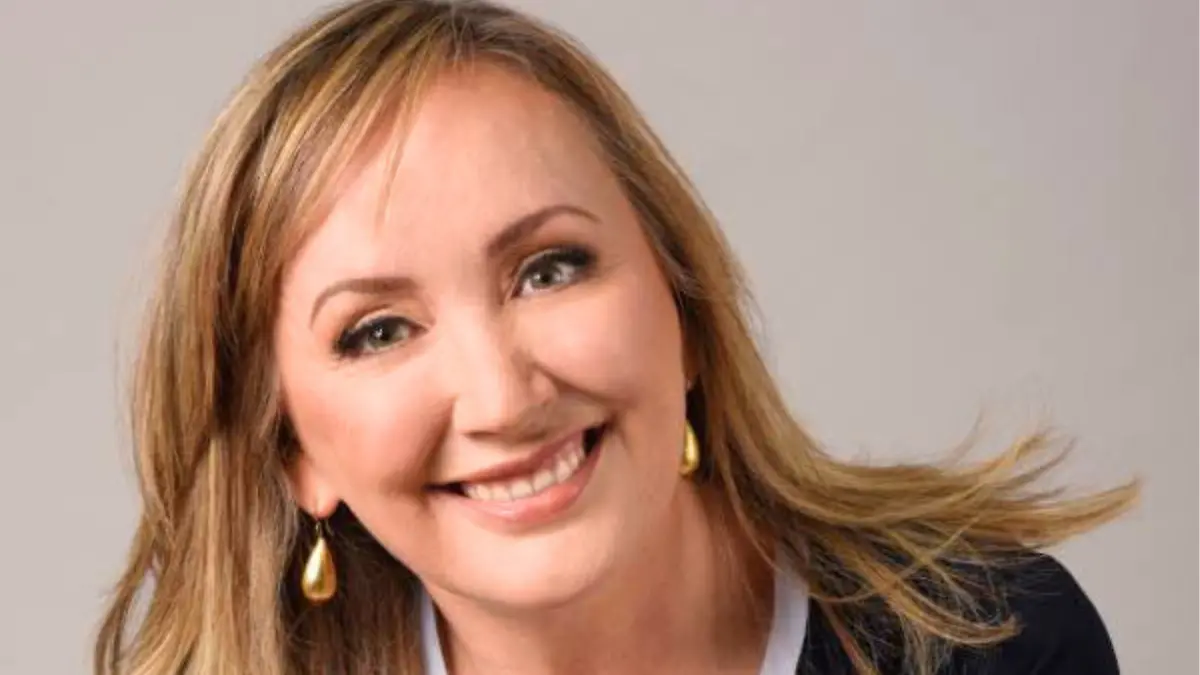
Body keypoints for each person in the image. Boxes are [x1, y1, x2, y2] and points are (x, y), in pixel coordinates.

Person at [93, 1, 1139, 673]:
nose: (503, 397)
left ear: (683, 303)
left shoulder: (995, 644)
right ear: (294, 451)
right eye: (378, 332)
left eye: (549, 269)